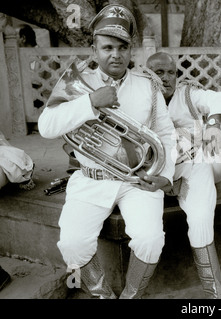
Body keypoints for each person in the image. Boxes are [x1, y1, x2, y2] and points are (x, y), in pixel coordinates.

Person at [38, 4, 176, 299]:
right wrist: (89, 102)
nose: (116, 54)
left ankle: (130, 296)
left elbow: (166, 135)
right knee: (72, 243)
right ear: (95, 48)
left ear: (131, 50)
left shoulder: (147, 85)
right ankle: (103, 295)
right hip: (91, 178)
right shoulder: (77, 81)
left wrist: (164, 175)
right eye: (108, 47)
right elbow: (47, 126)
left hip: (136, 180)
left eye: (122, 47)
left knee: (151, 240)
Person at [146, 52, 221, 299]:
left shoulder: (187, 93)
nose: (166, 78)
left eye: (171, 72)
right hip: (159, 173)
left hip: (199, 162)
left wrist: (212, 124)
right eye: (159, 72)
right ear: (147, 75)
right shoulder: (139, 99)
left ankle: (217, 299)